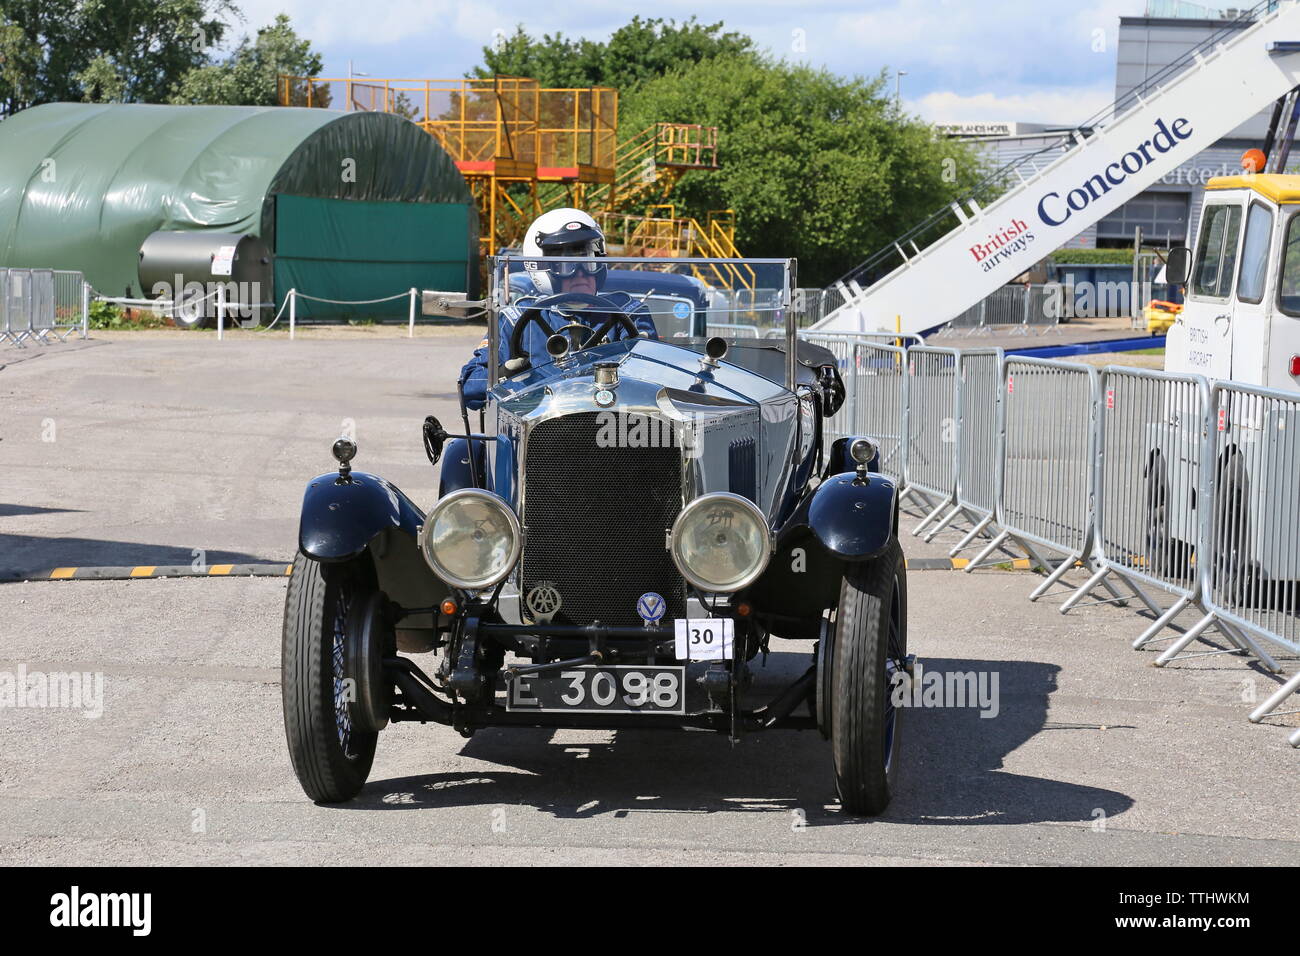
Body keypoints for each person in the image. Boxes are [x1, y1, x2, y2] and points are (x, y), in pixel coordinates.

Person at [458, 208, 657, 410]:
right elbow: (471, 387)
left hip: (611, 425)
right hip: (539, 424)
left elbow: (655, 376)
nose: (581, 273)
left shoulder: (628, 313)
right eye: (565, 264)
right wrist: (505, 374)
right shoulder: (515, 318)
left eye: (589, 260)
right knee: (464, 444)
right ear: (540, 268)